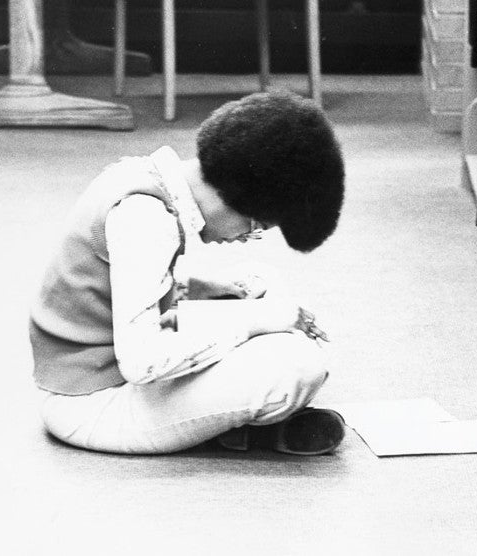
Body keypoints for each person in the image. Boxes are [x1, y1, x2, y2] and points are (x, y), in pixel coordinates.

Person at [29, 90, 346, 455]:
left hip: (95, 371)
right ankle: (235, 429)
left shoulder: (143, 178)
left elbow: (118, 290)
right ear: (237, 195)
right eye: (256, 225)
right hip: (92, 405)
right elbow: (142, 360)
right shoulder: (146, 220)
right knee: (298, 366)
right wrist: (254, 322)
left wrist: (210, 289)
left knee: (259, 283)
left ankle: (230, 430)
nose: (246, 237)